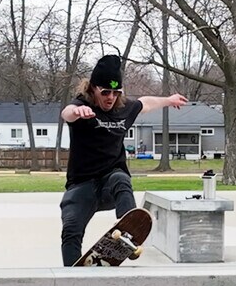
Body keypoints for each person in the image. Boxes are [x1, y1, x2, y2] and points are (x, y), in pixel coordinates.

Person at [59, 54, 188, 266]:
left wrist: (168, 100)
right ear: (93, 89)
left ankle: (129, 228)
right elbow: (67, 113)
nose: (110, 98)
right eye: (105, 92)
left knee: (120, 178)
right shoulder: (82, 105)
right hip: (81, 186)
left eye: (115, 92)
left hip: (111, 184)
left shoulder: (124, 108)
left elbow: (145, 103)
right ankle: (72, 275)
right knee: (71, 229)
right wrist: (76, 111)